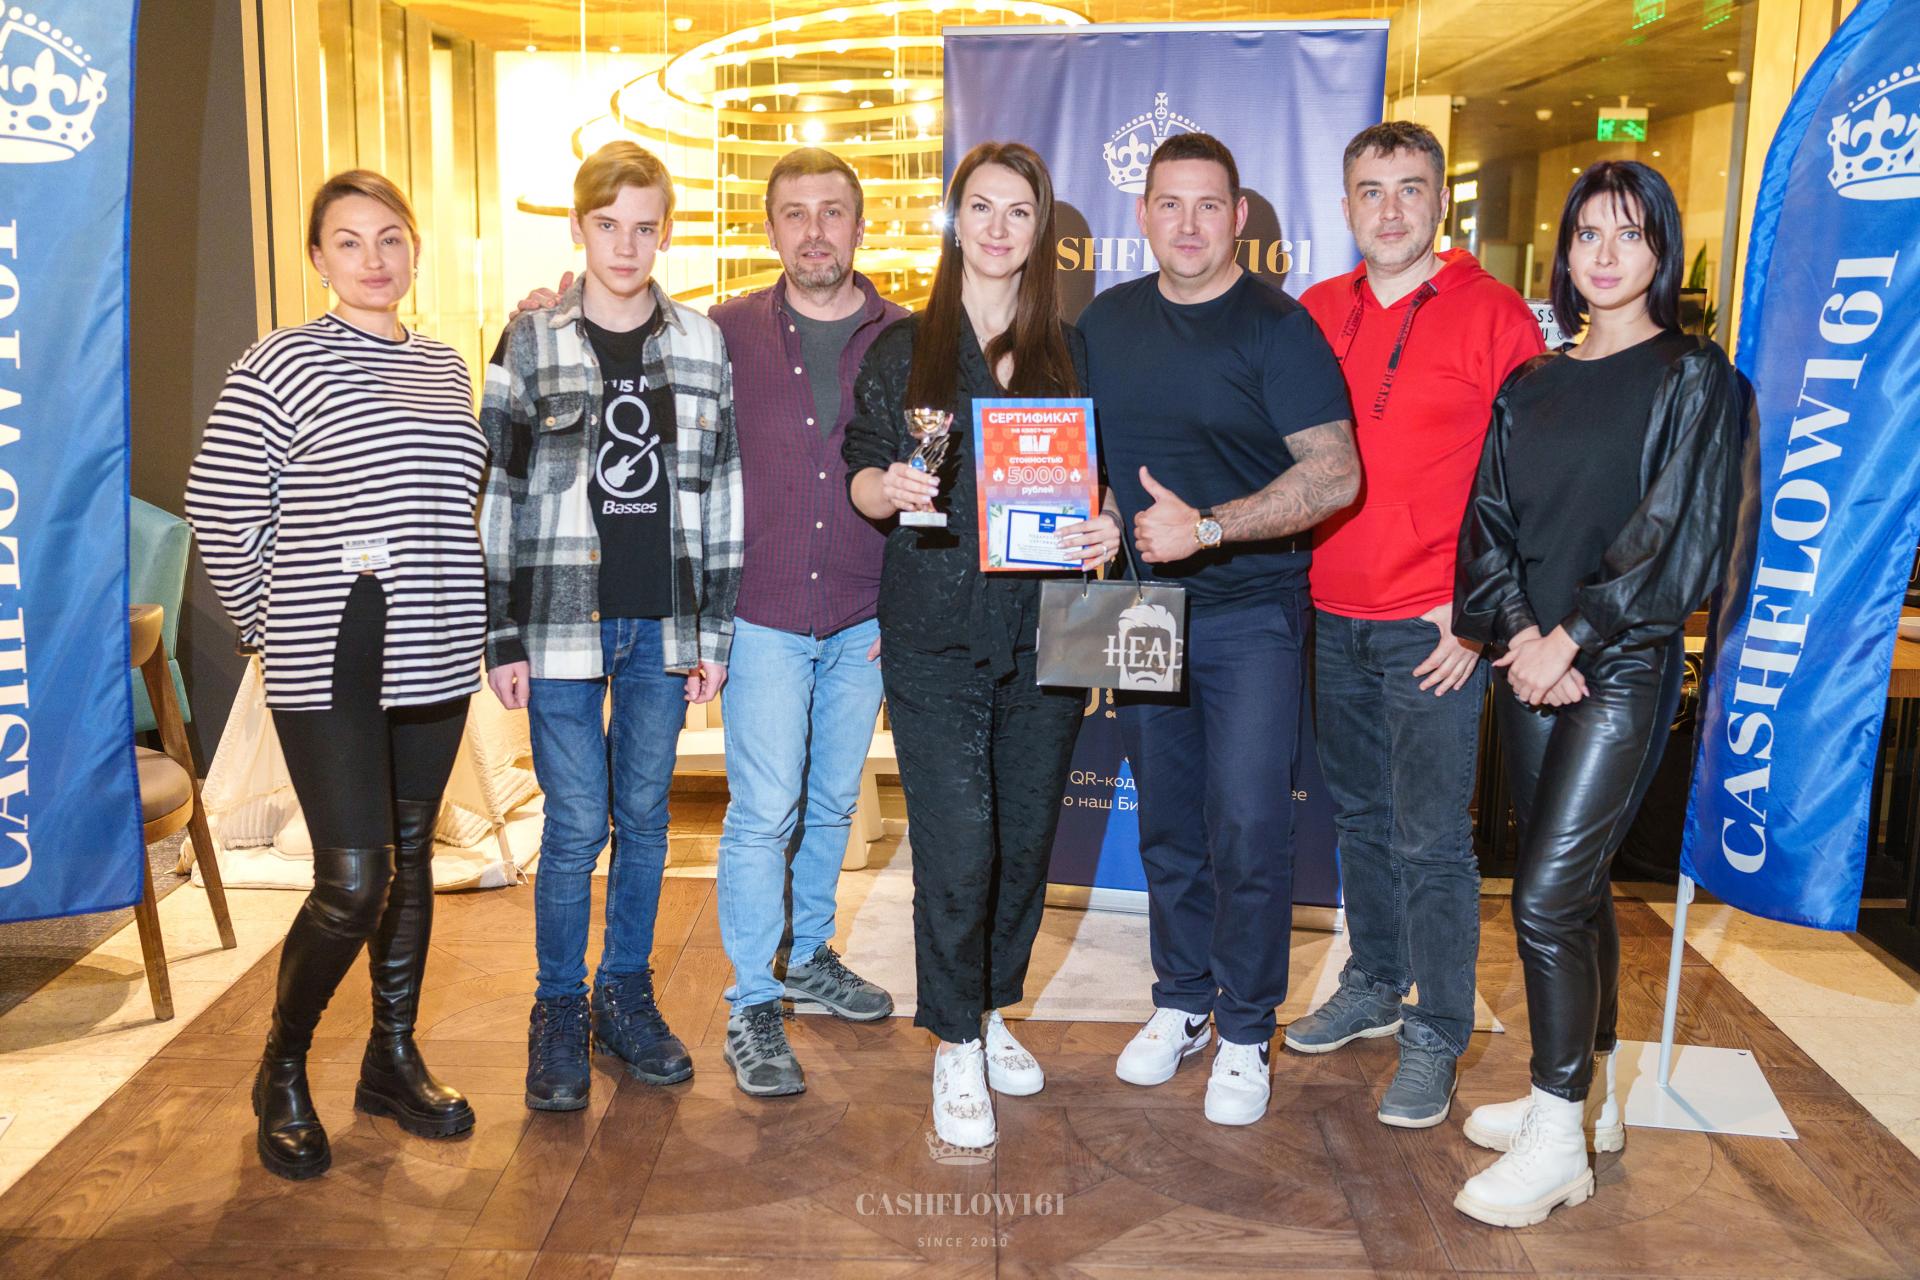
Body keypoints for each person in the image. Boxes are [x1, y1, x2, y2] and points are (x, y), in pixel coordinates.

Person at [1451, 160, 1743, 1227]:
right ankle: (1591, 1101)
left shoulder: (1696, 377)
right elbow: (1488, 523)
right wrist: (1527, 635)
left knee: (1541, 897)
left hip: (1621, 663)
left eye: (1629, 233)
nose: (1605, 253)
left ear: (1660, 249)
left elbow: (1679, 537)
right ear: (1565, 254)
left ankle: (1556, 1135)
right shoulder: (1531, 382)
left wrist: (1572, 633)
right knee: (1572, 890)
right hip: (1532, 659)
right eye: (1587, 234)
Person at [186, 170, 487, 1180]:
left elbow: (454, 496)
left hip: (435, 643)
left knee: (411, 859)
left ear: (415, 249)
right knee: (353, 879)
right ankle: (281, 1065)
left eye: (390, 237)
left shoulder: (444, 367)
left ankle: (390, 1058)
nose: (374, 259)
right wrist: (275, 623)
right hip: (334, 650)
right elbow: (220, 505)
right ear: (318, 259)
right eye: (349, 241)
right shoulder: (278, 364)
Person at [843, 141, 1122, 1149]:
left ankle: (992, 1005)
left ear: (1039, 231)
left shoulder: (1070, 352)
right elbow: (860, 473)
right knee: (958, 845)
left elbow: (1098, 479)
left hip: (1049, 632)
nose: (999, 228)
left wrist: (1107, 524)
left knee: (1024, 843)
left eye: (1019, 212)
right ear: (954, 221)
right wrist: (887, 488)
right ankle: (954, 1038)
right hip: (933, 633)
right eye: (982, 208)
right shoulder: (902, 349)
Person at [1078, 133, 1360, 1128]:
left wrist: (1208, 527)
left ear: (1239, 216)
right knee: (1165, 822)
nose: (1188, 224)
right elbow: (1085, 457)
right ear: (1143, 214)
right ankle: (1183, 1000)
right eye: (1170, 204)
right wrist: (1098, 513)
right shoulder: (1104, 322)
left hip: (1250, 609)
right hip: (1136, 606)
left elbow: (1336, 473)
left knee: (1247, 824)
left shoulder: (1278, 327)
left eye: (1209, 205)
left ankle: (1246, 1026)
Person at [1285, 122, 1545, 1128]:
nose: (1389, 209)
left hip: (1435, 630)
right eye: (1370, 189)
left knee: (1432, 838)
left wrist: (1480, 613)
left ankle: (1437, 1030)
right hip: (1330, 612)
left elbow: (1532, 481)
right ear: (1346, 203)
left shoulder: (1496, 315)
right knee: (1358, 819)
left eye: (1408, 189)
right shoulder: (1316, 310)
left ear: (1440, 200)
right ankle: (1374, 982)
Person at [480, 141, 742, 1113]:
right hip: (557, 629)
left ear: (664, 232)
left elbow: (723, 490)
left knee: (645, 819)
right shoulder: (530, 341)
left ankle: (624, 995)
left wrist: (713, 636)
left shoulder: (702, 343)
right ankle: (558, 1005)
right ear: (578, 228)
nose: (626, 245)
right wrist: (499, 634)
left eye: (644, 226)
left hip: (660, 626)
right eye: (607, 225)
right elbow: (497, 493)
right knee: (575, 824)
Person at [706, 149, 906, 1096]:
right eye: (795, 213)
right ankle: (752, 1000)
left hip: (865, 615)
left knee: (831, 803)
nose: (815, 231)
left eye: (832, 212)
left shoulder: (907, 336)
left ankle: (809, 953)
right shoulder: (722, 331)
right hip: (764, 613)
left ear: (859, 225)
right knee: (762, 812)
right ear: (771, 227)